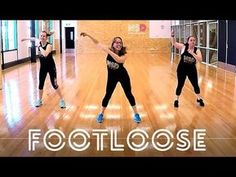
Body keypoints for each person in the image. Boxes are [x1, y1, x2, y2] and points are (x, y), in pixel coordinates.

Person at [80, 32, 141, 123]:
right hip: (112, 77)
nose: (118, 44)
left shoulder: (124, 54)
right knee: (107, 95)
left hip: (123, 76)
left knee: (128, 94)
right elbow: (97, 42)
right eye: (116, 42)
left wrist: (108, 51)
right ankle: (101, 113)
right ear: (113, 44)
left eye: (120, 42)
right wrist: (88, 35)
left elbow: (119, 60)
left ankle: (136, 114)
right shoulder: (110, 50)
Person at [21, 31, 66, 108]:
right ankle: (39, 100)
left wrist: (39, 47)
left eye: (44, 36)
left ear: (46, 37)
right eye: (41, 36)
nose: (42, 37)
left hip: (51, 67)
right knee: (40, 84)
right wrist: (25, 39)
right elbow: (32, 38)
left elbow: (45, 54)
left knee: (54, 85)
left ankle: (62, 100)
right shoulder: (39, 41)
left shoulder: (49, 45)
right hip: (43, 68)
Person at [171, 31, 205, 108]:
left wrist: (192, 53)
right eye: (191, 40)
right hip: (181, 70)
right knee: (180, 85)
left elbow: (200, 60)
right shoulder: (183, 47)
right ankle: (176, 100)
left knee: (195, 85)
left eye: (194, 40)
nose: (193, 42)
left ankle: (199, 99)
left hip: (191, 70)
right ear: (188, 42)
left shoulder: (197, 50)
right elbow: (174, 43)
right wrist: (172, 35)